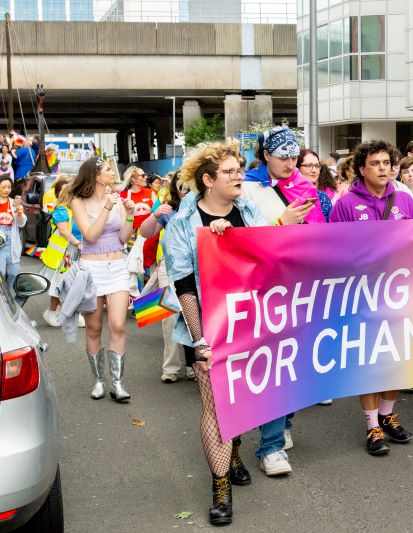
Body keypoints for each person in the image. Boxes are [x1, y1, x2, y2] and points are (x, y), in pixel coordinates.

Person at [163, 140, 260, 526]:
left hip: (251, 326)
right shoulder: (185, 226)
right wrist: (200, 341)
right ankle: (221, 487)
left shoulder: (248, 211)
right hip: (207, 328)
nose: (239, 176)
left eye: (240, 170)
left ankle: (234, 451)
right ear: (207, 180)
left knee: (241, 401)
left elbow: (269, 258)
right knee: (215, 406)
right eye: (230, 172)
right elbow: (185, 286)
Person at [330, 140, 413, 456]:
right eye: (375, 163)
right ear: (361, 169)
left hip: (401, 293)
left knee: (398, 360)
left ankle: (388, 415)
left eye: (387, 162)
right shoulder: (345, 205)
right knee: (371, 362)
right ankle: (372, 425)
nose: (383, 168)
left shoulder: (404, 200)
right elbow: (332, 250)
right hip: (364, 296)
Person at [242, 126, 327, 478]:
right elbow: (240, 240)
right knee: (274, 367)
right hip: (262, 289)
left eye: (295, 156)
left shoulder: (305, 186)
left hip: (300, 285)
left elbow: (319, 237)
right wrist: (281, 222)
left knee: (295, 365)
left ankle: (284, 423)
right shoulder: (246, 187)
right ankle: (270, 446)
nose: (291, 163)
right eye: (283, 156)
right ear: (265, 156)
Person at [70, 157, 136, 402]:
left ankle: (117, 383)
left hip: (117, 266)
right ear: (96, 175)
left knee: (118, 325)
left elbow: (122, 239)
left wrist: (128, 215)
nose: (113, 172)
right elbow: (90, 235)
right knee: (94, 326)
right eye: (108, 169)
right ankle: (98, 380)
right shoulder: (79, 202)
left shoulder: (117, 199)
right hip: (92, 269)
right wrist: (108, 207)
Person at [140, 173, 195, 383]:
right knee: (169, 317)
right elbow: (146, 233)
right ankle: (171, 367)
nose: (186, 191)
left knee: (194, 315)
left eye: (190, 188)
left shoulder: (203, 207)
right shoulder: (168, 209)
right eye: (182, 187)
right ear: (175, 189)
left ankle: (193, 365)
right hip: (169, 267)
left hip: (196, 269)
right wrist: (154, 215)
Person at [40, 175, 85, 328]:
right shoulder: (61, 210)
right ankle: (52, 312)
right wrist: (78, 243)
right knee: (59, 285)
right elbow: (64, 231)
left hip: (75, 252)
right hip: (62, 255)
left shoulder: (79, 209)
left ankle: (69, 312)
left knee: (74, 284)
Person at [0, 176, 26, 288]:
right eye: (3, 187)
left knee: (14, 273)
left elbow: (21, 223)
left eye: (9, 187)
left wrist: (19, 211)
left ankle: (12, 302)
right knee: (0, 273)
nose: (7, 190)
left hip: (11, 240)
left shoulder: (14, 203)